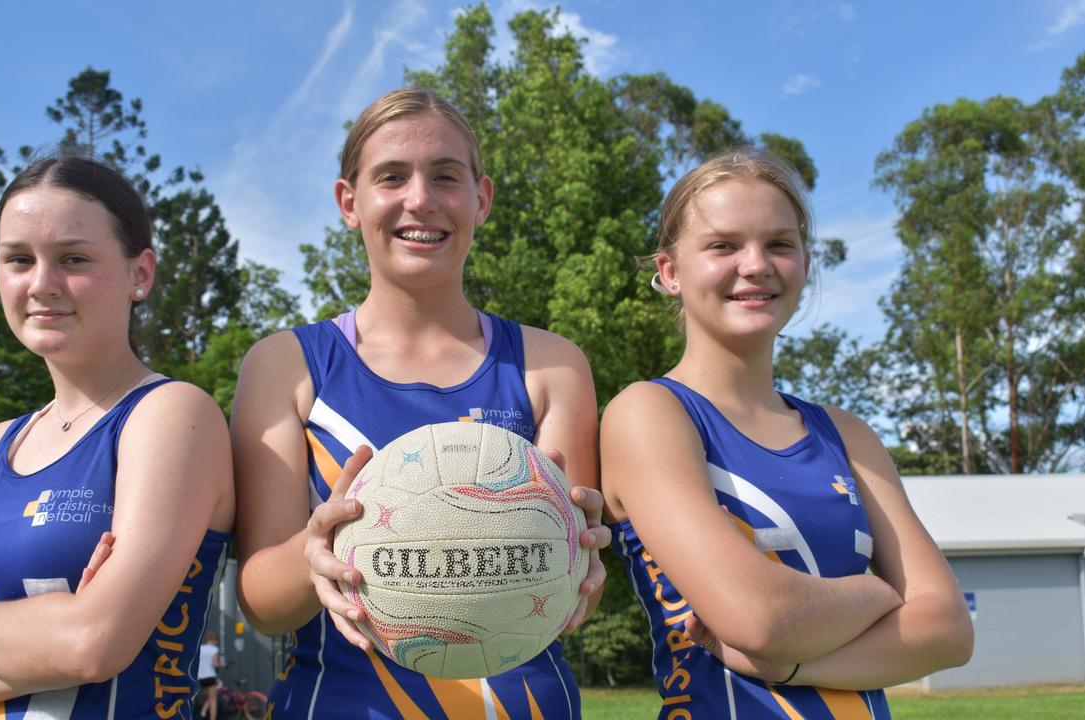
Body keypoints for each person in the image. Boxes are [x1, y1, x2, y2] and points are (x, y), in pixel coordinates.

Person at [231, 87, 610, 719]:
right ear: (349, 203)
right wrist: (311, 555)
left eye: (445, 177)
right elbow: (261, 603)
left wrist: (582, 561)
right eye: (391, 177)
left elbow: (572, 588)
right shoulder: (286, 364)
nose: (420, 199)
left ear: (481, 198)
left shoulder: (552, 365)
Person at [600, 147, 973, 718]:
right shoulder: (649, 413)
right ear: (670, 272)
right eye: (723, 245)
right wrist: (878, 594)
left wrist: (797, 667)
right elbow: (758, 618)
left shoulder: (847, 434)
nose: (756, 265)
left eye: (779, 244)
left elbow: (948, 628)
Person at [0, 155, 236, 719]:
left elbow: (93, 643)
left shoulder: (171, 415)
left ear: (140, 274)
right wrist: (48, 636)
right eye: (18, 259)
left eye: (74, 258)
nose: (42, 284)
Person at [196, 631, 223, 720]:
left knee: (205, 697)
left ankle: (202, 712)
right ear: (215, 640)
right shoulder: (215, 649)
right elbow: (215, 664)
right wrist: (221, 665)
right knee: (213, 700)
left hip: (200, 677)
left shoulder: (201, 648)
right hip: (210, 677)